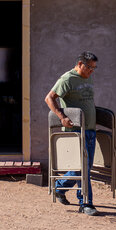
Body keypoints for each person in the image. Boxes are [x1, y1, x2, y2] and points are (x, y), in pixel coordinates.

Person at [44, 51, 99, 216]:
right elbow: (49, 98)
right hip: (75, 130)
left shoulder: (87, 77)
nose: (91, 71)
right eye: (89, 67)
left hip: (89, 130)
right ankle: (86, 203)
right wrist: (62, 117)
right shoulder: (67, 79)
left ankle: (59, 186)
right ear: (80, 64)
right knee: (83, 168)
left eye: (94, 68)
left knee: (84, 167)